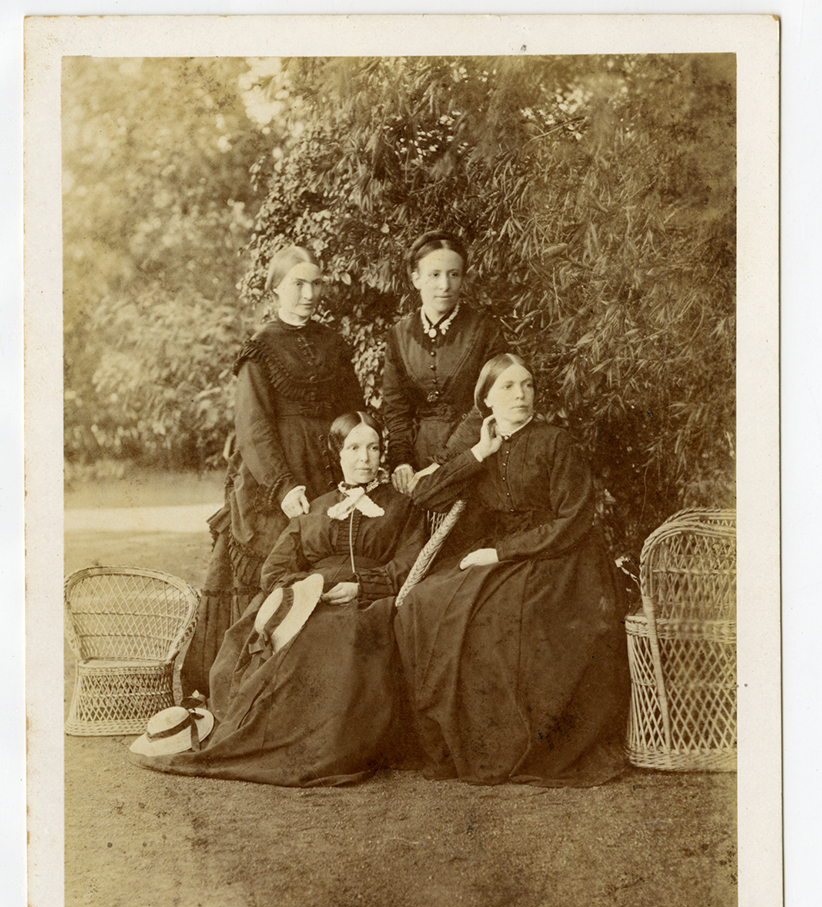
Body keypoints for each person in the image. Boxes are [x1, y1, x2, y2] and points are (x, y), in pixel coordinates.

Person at [132, 413, 425, 787]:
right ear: (337, 453)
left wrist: (362, 586)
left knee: (338, 636)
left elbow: (410, 563)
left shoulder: (402, 507)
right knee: (256, 634)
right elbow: (274, 569)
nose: (364, 458)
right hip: (306, 596)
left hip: (366, 600)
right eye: (353, 448)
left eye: (373, 448)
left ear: (382, 453)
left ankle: (319, 745)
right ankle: (264, 733)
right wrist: (305, 589)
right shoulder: (314, 508)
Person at [394, 354, 630, 787]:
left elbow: (574, 520)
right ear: (485, 399)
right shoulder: (482, 447)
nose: (521, 395)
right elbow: (424, 495)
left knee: (498, 617)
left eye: (527, 385)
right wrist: (478, 453)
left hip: (562, 559)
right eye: (507, 386)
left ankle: (512, 745)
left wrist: (500, 552)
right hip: (502, 555)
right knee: (423, 603)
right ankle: (459, 742)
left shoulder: (555, 442)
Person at [181, 244, 364, 696]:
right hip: (276, 477)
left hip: (329, 470)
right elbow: (253, 428)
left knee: (327, 568)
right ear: (275, 288)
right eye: (297, 284)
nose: (308, 294)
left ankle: (318, 687)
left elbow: (353, 410)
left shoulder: (333, 344)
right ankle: (249, 685)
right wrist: (283, 486)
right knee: (272, 571)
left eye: (315, 284)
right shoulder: (260, 349)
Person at [381, 229, 507, 495]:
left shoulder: (485, 330)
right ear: (416, 279)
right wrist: (401, 461)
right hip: (416, 458)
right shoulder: (398, 336)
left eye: (454, 274)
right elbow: (396, 408)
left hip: (475, 453)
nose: (445, 285)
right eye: (434, 275)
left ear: (463, 278)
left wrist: (445, 462)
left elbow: (489, 402)